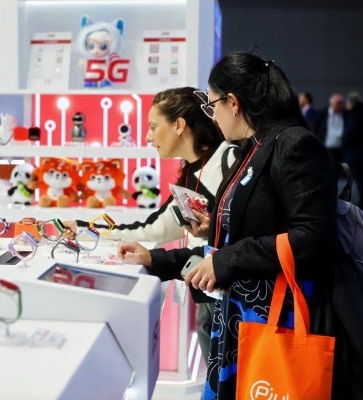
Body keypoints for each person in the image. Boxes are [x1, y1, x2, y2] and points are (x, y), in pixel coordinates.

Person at [117, 51, 338, 399]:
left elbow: (314, 237)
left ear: (233, 103)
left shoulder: (292, 144)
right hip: (241, 319)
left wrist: (225, 261)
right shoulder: (254, 149)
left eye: (212, 105)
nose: (212, 116)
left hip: (277, 320)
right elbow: (234, 240)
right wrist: (157, 260)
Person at [64, 87, 237, 362]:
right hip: (209, 295)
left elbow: (250, 230)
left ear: (178, 125)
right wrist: (88, 228)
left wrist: (213, 230)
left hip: (238, 298)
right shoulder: (191, 172)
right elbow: (153, 228)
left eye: (153, 127)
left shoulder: (229, 160)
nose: (147, 137)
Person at [313, 93, 344, 163]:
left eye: (341, 103)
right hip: (325, 149)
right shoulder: (322, 114)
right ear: (331, 103)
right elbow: (314, 128)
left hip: (340, 150)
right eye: (338, 103)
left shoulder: (345, 114)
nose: (340, 105)